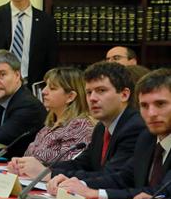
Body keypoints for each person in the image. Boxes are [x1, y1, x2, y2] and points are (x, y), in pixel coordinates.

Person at [51, 69, 171, 199]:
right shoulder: (147, 138)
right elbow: (124, 178)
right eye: (144, 105)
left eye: (160, 104)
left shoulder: (137, 128)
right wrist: (78, 184)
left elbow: (161, 191)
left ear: (125, 95)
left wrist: (95, 194)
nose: (152, 113)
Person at [12, 62, 143, 184]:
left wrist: (48, 173)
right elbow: (80, 164)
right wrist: (30, 166)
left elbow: (110, 176)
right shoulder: (101, 128)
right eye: (89, 92)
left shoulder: (134, 127)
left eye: (101, 90)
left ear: (124, 95)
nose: (92, 98)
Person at [16, 67, 94, 163]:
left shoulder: (80, 126)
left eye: (52, 88)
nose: (44, 91)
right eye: (45, 86)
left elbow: (67, 168)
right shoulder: (50, 125)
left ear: (70, 96)